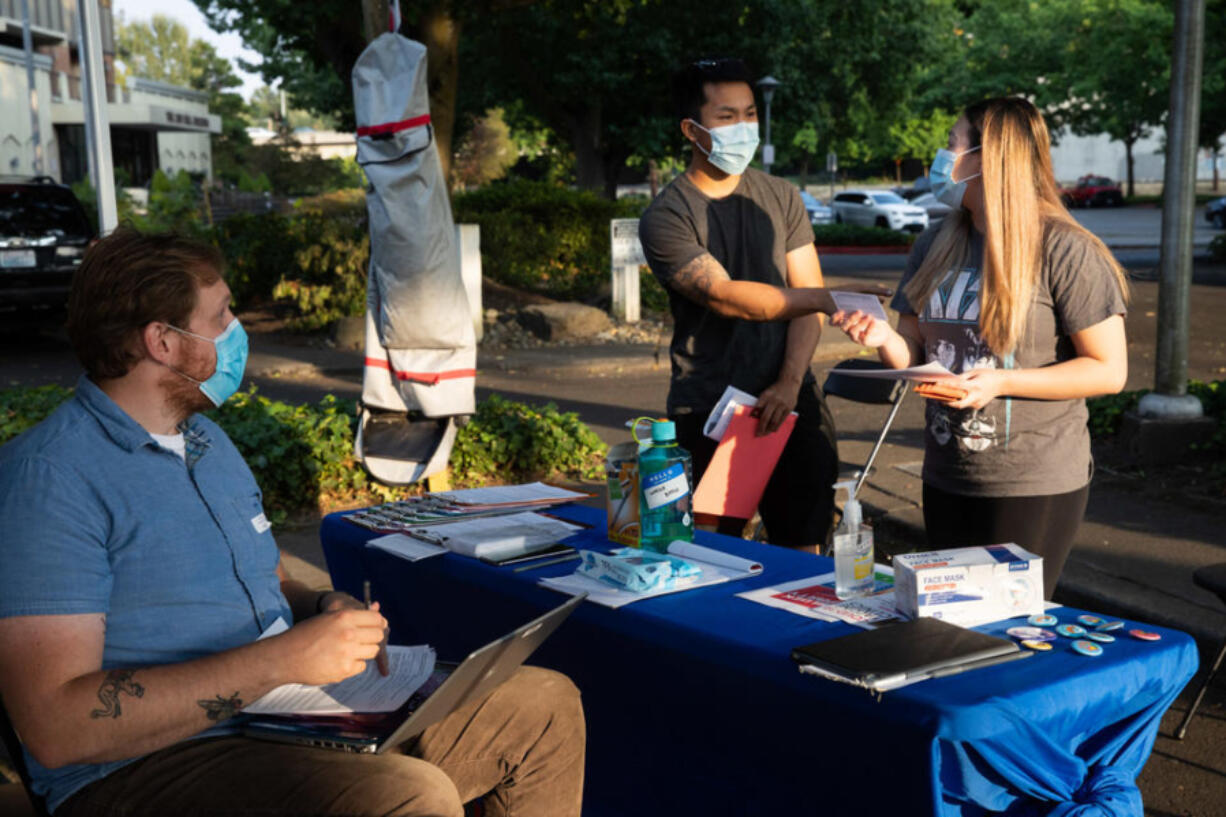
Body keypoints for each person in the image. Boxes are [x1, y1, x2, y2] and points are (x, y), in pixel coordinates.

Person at [0, 229, 585, 817]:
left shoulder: (207, 442)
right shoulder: (50, 478)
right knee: (405, 795)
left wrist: (326, 606)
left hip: (286, 717)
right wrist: (281, 661)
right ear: (163, 342)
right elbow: (58, 726)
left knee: (541, 706)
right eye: (221, 313)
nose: (237, 329)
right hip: (144, 768)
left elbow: (273, 582)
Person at [831, 97, 1130, 593]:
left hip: (1033, 480)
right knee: (954, 627)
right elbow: (915, 354)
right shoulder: (935, 243)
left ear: (989, 158)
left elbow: (1108, 371)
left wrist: (1001, 381)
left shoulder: (1066, 248)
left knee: (1006, 633)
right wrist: (883, 336)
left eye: (951, 143)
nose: (940, 156)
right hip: (947, 471)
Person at [639, 57, 858, 552]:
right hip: (710, 406)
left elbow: (804, 303)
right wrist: (830, 298)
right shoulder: (667, 216)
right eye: (726, 117)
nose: (743, 128)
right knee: (708, 554)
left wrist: (787, 382)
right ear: (691, 130)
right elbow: (729, 297)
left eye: (750, 114)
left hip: (790, 403)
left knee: (803, 553)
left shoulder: (780, 197)